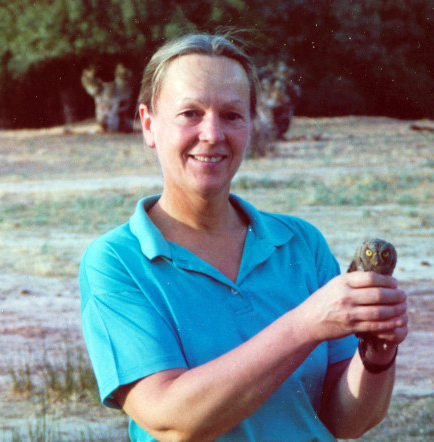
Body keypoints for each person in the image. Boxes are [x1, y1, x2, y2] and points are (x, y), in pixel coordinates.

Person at [79, 32, 409, 441]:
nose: (213, 134)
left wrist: (377, 355)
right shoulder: (116, 262)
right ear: (149, 124)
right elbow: (171, 421)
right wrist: (306, 324)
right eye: (190, 114)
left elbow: (347, 422)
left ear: (251, 125)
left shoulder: (302, 244)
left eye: (232, 115)